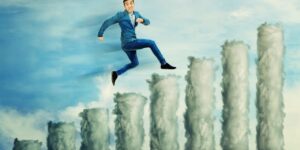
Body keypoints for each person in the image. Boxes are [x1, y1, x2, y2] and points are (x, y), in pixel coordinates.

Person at [98, 0, 176, 86]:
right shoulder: (120, 15)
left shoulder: (137, 14)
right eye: (127, 4)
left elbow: (148, 22)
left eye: (131, 3)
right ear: (124, 6)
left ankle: (116, 73)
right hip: (127, 42)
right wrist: (100, 34)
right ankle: (163, 64)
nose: (129, 6)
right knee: (151, 43)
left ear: (133, 4)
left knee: (135, 63)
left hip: (130, 43)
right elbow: (107, 22)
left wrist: (142, 20)